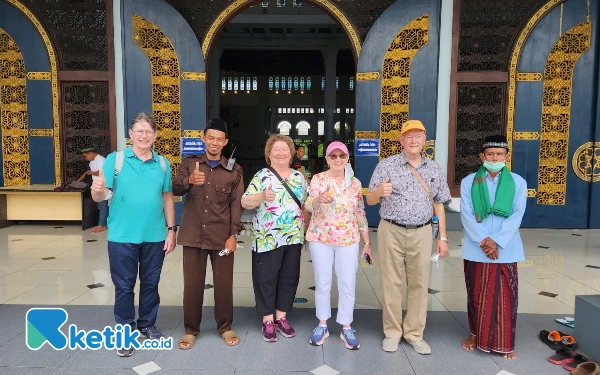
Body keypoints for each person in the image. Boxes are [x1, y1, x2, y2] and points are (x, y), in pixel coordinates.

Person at [91, 112, 176, 357]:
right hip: (121, 236)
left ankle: (147, 324)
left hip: (155, 236)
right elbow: (102, 195)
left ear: (155, 135)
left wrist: (171, 230)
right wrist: (96, 191)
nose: (143, 135)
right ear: (130, 134)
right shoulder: (115, 160)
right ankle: (125, 332)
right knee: (125, 286)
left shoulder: (162, 163)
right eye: (139, 131)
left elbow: (167, 196)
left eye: (148, 131)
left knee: (151, 283)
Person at [366, 119, 451, 355]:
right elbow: (370, 200)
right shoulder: (386, 166)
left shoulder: (434, 169)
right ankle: (392, 332)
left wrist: (442, 237)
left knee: (419, 283)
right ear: (401, 140)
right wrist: (377, 192)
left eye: (418, 136)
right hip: (390, 230)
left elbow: (439, 203)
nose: (413, 141)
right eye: (408, 137)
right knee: (391, 282)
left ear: (425, 140)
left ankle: (414, 333)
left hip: (422, 231)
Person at [172, 118, 245, 349]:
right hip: (193, 234)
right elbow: (174, 187)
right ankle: (191, 329)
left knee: (224, 283)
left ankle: (225, 326)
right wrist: (189, 181)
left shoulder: (234, 171)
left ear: (225, 142)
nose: (214, 142)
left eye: (219, 139)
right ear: (203, 139)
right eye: (210, 138)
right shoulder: (189, 163)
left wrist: (233, 235)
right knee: (192, 284)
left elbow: (236, 205)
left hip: (222, 237)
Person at [459, 135, 527, 360]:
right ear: (482, 156)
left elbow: (517, 214)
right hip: (476, 247)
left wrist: (495, 241)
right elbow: (467, 215)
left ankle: (505, 342)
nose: (495, 158)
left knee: (506, 296)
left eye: (499, 154)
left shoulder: (518, 182)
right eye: (490, 154)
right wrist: (484, 242)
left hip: (505, 247)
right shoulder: (470, 181)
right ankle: (476, 334)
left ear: (506, 157)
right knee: (476, 295)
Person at [241, 134, 308, 343]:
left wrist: (304, 231)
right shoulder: (262, 176)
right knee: (266, 278)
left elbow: (306, 205)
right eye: (276, 149)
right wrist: (261, 196)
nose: (280, 153)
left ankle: (282, 317)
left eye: (285, 149)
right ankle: (268, 319)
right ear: (269, 154)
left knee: (289, 277)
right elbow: (245, 201)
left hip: (293, 238)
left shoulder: (299, 178)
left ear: (291, 153)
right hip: (268, 237)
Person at [304, 141, 371, 350]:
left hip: (348, 240)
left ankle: (346, 326)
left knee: (347, 283)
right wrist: (317, 200)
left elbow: (360, 212)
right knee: (322, 282)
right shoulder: (318, 179)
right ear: (327, 159)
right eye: (333, 156)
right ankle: (322, 324)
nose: (338, 159)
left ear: (347, 158)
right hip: (320, 238)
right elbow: (307, 205)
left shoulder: (355, 183)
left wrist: (367, 242)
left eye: (342, 155)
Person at [78, 147, 107, 233]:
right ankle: (100, 223)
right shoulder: (92, 161)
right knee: (99, 206)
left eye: (86, 156)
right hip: (95, 186)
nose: (86, 158)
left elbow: (103, 172)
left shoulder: (101, 160)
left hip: (102, 185)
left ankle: (102, 225)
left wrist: (92, 173)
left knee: (102, 205)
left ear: (91, 153)